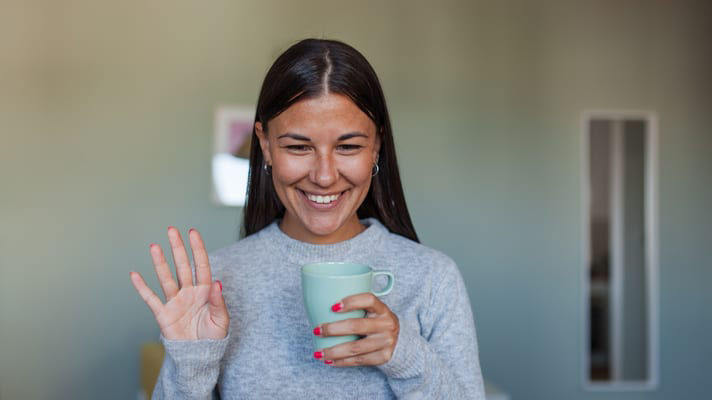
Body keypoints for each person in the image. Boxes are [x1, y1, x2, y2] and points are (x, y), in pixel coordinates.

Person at [129, 38, 486, 399]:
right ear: (265, 145)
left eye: (348, 146)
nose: (325, 176)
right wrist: (191, 364)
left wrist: (405, 355)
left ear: (376, 146)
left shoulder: (433, 279)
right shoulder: (218, 285)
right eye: (299, 147)